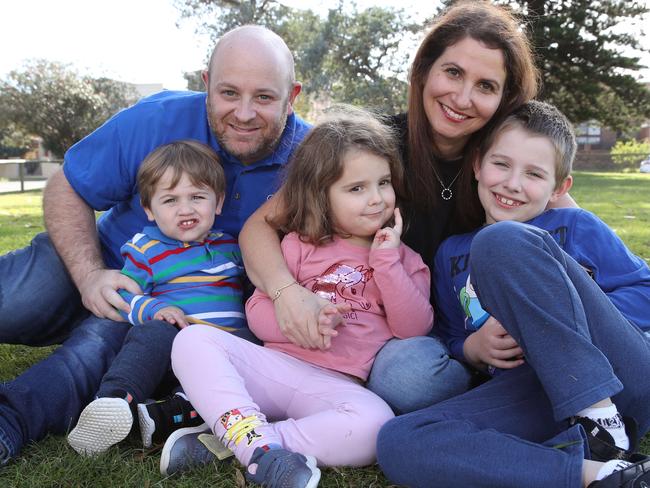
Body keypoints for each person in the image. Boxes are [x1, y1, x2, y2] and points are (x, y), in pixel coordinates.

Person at [0, 25, 308, 465]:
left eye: (263, 97)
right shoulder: (156, 119)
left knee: (96, 347)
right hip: (101, 258)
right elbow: (68, 186)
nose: (243, 113)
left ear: (291, 94)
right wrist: (88, 275)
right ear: (205, 85)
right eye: (228, 93)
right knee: (15, 301)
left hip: (176, 316)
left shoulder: (312, 158)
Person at [237, 0, 564, 414]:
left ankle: (501, 387)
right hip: (388, 335)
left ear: (505, 98)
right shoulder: (371, 145)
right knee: (406, 379)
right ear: (424, 70)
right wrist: (286, 294)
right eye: (453, 72)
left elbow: (568, 221)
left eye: (486, 86)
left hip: (475, 326)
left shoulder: (505, 161)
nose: (462, 98)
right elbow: (258, 227)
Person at [376, 101, 650, 488]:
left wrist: (564, 311)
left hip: (618, 378)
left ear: (560, 187)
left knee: (500, 241)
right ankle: (602, 472)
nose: (512, 183)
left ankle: (601, 423)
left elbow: (644, 290)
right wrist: (472, 348)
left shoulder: (574, 226)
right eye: (501, 164)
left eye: (534, 173)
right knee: (399, 440)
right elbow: (449, 334)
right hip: (535, 394)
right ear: (477, 165)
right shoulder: (452, 253)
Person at [162, 108, 433, 487]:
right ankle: (255, 444)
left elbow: (415, 327)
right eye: (356, 188)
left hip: (338, 385)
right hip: (274, 369)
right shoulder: (299, 245)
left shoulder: (405, 259)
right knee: (193, 340)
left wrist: (387, 263)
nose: (376, 199)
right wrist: (302, 321)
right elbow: (257, 311)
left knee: (376, 425)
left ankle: (252, 445)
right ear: (321, 195)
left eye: (383, 183)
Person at [66, 140, 246, 456]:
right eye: (170, 200)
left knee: (245, 353)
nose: (186, 209)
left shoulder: (232, 247)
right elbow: (121, 295)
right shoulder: (147, 249)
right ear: (150, 209)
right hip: (171, 350)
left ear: (217, 202)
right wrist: (156, 308)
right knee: (152, 333)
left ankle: (159, 418)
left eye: (197, 197)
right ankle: (114, 401)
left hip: (221, 358)